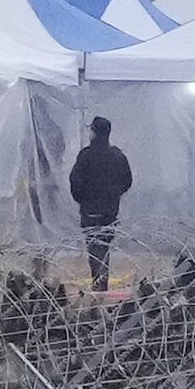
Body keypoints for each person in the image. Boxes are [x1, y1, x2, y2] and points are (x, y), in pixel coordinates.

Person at [69, 117, 133, 288]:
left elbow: (76, 181)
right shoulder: (118, 156)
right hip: (110, 211)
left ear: (94, 132)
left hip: (90, 210)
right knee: (104, 247)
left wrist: (83, 198)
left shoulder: (86, 155)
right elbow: (127, 181)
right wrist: (113, 196)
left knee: (95, 249)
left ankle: (99, 285)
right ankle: (101, 282)